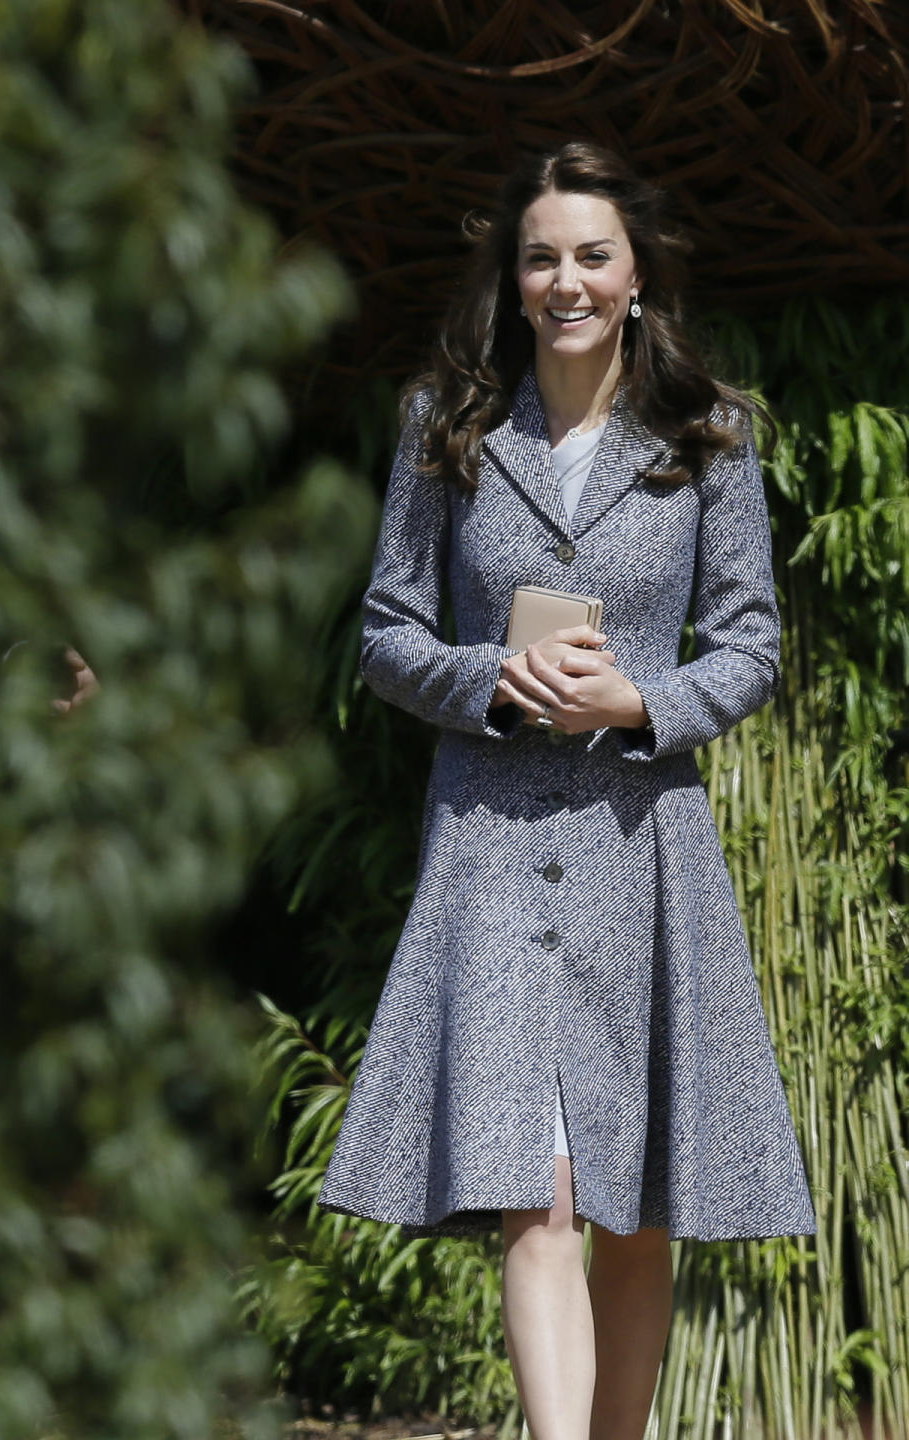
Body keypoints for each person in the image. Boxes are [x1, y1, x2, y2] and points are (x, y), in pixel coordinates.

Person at [317, 141, 816, 1440]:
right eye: (542, 257)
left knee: (635, 1210)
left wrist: (637, 701)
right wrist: (498, 675)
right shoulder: (449, 428)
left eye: (592, 254)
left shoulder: (712, 436)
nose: (567, 279)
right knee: (531, 1193)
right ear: (514, 278)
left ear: (637, 277)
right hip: (489, 849)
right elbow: (384, 635)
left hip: (641, 849)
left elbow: (753, 647)